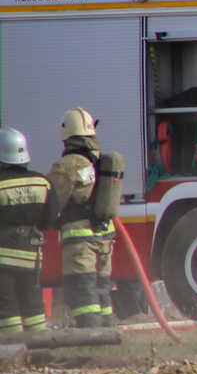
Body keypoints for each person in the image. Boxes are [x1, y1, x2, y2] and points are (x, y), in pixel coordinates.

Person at [46, 108, 122, 327]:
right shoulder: (98, 160)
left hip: (81, 242)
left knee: (82, 292)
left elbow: (52, 199)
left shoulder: (68, 165)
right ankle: (108, 333)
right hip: (104, 237)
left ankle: (91, 341)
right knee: (101, 290)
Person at [0, 128, 50, 339]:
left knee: (7, 306)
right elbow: (49, 218)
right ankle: (41, 350)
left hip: (3, 257)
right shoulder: (42, 182)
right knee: (33, 304)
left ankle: (13, 352)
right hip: (32, 255)